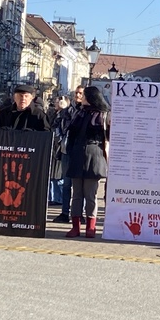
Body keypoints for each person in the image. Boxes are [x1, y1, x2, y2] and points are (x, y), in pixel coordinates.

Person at [64, 85, 109, 239]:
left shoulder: (102, 115)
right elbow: (71, 134)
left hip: (94, 154)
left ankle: (91, 226)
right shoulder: (79, 113)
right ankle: (75, 226)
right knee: (76, 194)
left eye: (84, 96)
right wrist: (70, 151)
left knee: (90, 194)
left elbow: (106, 138)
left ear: (90, 97)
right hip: (77, 154)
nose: (81, 98)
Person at [52, 86, 84, 223]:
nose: (77, 95)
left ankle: (78, 214)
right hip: (66, 151)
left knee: (79, 185)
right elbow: (56, 125)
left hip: (80, 152)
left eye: (80, 93)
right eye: (76, 93)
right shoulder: (66, 111)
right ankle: (65, 213)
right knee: (66, 184)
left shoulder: (86, 112)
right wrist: (61, 140)